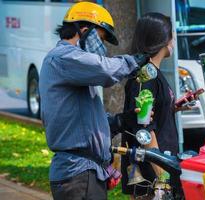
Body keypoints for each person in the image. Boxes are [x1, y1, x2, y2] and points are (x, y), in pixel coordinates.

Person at [39, 2, 149, 200]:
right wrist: (134, 61)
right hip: (78, 175)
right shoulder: (65, 58)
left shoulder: (75, 71)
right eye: (100, 38)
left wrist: (117, 122)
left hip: (83, 173)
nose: (102, 46)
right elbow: (105, 69)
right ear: (83, 30)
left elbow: (82, 121)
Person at [121, 12, 195, 199]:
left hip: (156, 169)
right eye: (172, 36)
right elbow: (144, 131)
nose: (173, 42)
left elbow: (149, 115)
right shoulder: (146, 75)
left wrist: (173, 107)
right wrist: (163, 178)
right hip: (150, 176)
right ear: (162, 39)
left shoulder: (151, 73)